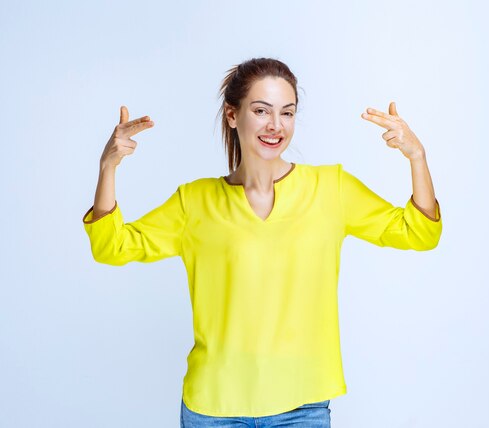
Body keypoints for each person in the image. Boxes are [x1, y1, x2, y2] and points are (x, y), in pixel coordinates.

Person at [82, 57, 442, 427]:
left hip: (303, 406)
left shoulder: (331, 189)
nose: (275, 125)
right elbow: (112, 246)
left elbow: (419, 232)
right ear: (232, 115)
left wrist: (417, 157)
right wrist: (108, 166)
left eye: (287, 113)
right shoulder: (194, 202)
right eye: (261, 110)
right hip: (214, 409)